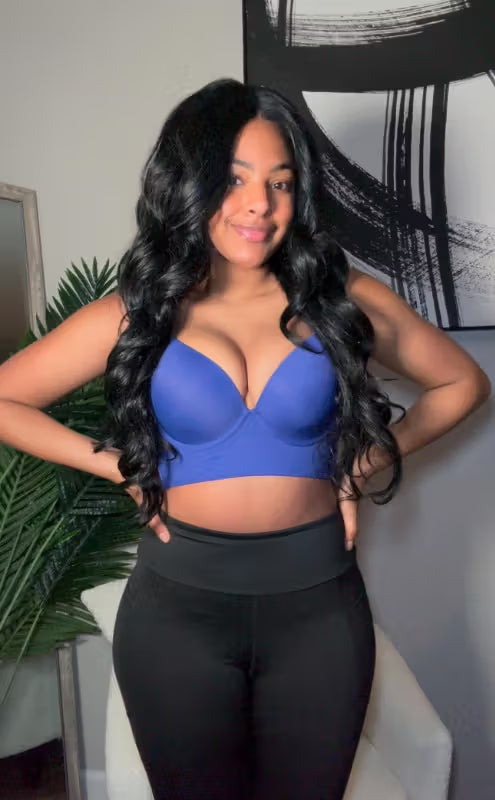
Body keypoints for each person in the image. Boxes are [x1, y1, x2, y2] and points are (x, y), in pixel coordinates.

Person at [0, 78, 490, 800]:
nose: (259, 203)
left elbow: (461, 383)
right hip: (177, 619)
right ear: (189, 184)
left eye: (279, 183)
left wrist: (363, 462)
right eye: (233, 179)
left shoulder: (341, 301)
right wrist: (119, 467)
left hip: (320, 616)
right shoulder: (140, 310)